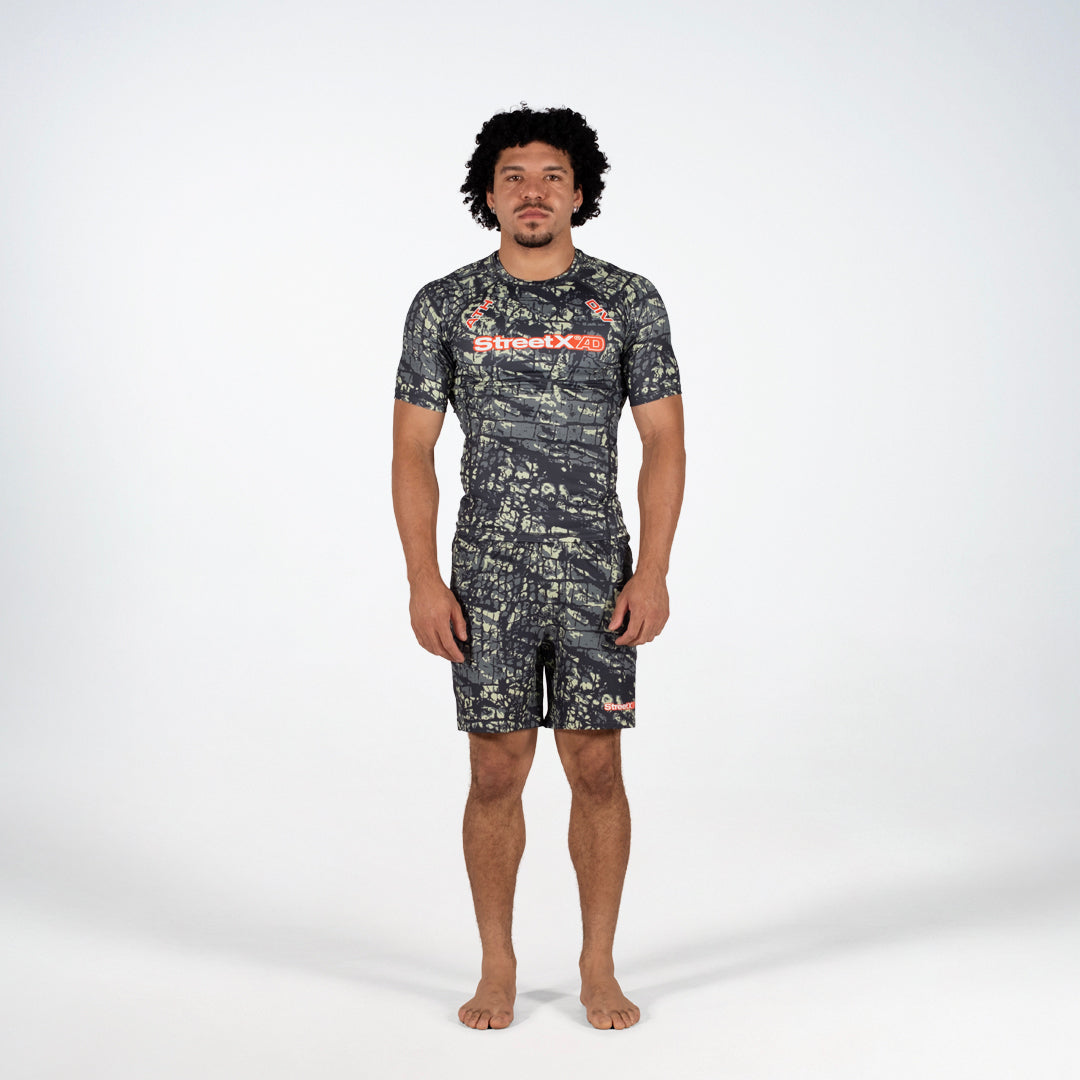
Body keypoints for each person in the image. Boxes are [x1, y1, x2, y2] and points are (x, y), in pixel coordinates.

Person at [391, 105, 685, 1031]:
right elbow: (411, 451)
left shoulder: (627, 300)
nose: (533, 192)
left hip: (598, 574)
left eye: (551, 176)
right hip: (487, 576)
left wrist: (654, 571)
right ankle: (498, 967)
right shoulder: (446, 305)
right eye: (514, 176)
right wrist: (424, 579)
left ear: (579, 192)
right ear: (488, 194)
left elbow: (665, 441)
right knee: (494, 771)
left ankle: (598, 965)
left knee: (596, 767)